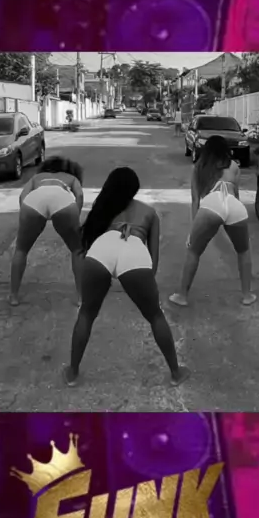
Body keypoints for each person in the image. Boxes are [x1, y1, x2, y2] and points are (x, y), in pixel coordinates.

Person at [64, 166, 189, 387]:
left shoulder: (105, 207)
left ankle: (72, 373)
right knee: (155, 316)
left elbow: (86, 244)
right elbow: (153, 261)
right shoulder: (149, 213)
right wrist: (141, 283)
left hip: (101, 250)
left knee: (86, 314)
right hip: (134, 250)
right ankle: (175, 373)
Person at [169, 135, 256, 307]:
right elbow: (236, 194)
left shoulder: (199, 166)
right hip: (233, 204)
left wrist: (193, 230)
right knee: (243, 251)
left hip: (212, 204)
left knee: (193, 251)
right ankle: (247, 295)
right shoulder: (234, 166)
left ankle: (182, 295)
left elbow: (195, 200)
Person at [10, 155, 84, 306]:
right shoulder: (70, 177)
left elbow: (23, 195)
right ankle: (81, 298)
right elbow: (80, 194)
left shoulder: (37, 177)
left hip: (34, 201)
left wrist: (26, 214)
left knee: (21, 250)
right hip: (63, 201)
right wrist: (75, 213)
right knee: (77, 250)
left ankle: (13, 296)